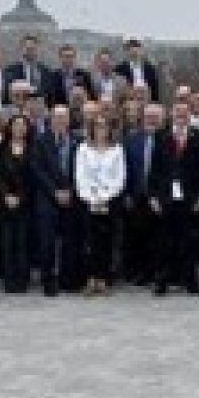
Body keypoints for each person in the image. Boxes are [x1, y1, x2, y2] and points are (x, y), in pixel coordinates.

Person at [151, 101, 199, 296]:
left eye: (185, 113)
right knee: (164, 241)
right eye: (178, 113)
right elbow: (155, 169)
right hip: (166, 196)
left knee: (190, 240)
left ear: (189, 115)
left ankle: (191, 281)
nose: (181, 116)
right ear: (172, 115)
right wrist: (154, 197)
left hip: (190, 197)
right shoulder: (161, 136)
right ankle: (162, 280)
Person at [33, 105, 83, 296]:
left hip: (72, 196)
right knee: (47, 242)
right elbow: (38, 169)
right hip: (47, 198)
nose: (61, 121)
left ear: (69, 120)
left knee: (70, 241)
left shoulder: (77, 141)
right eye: (57, 117)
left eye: (64, 117)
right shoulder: (40, 140)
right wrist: (55, 192)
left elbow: (81, 168)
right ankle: (48, 281)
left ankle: (67, 279)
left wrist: (70, 190)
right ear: (51, 119)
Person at [74, 115, 125, 296]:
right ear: (92, 129)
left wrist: (105, 197)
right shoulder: (83, 149)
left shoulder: (117, 149)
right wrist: (92, 198)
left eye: (104, 126)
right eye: (97, 126)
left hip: (109, 201)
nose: (101, 130)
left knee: (106, 241)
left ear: (110, 129)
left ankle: (103, 279)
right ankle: (90, 278)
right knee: (89, 241)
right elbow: (80, 177)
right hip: (88, 201)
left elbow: (120, 178)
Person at [123, 103, 165, 286]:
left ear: (162, 119)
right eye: (149, 116)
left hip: (161, 197)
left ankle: (160, 273)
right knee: (138, 237)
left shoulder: (168, 138)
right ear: (143, 118)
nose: (152, 120)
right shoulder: (131, 139)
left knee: (160, 238)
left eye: (156, 116)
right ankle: (141, 272)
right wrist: (126, 193)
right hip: (137, 195)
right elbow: (126, 168)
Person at [0, 115, 34, 293]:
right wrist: (6, 196)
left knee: (23, 242)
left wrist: (20, 197)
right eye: (16, 125)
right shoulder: (0, 149)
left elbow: (33, 177)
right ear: (10, 127)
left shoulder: (33, 149)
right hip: (5, 203)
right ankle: (9, 280)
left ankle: (22, 280)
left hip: (25, 202)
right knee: (8, 241)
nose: (19, 128)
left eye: (23, 125)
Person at [4, 34, 52, 104]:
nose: (30, 51)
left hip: (40, 108)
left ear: (38, 50)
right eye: (27, 48)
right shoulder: (10, 71)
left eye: (33, 48)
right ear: (21, 49)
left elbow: (49, 93)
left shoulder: (46, 71)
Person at [114, 38, 160, 103]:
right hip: (128, 100)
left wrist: (154, 103)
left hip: (146, 98)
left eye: (136, 51)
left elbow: (154, 88)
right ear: (127, 52)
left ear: (141, 51)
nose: (134, 53)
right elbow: (118, 88)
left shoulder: (150, 68)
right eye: (131, 51)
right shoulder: (120, 69)